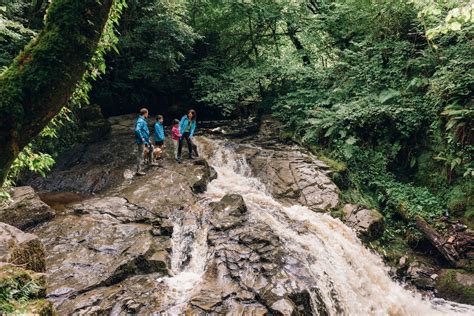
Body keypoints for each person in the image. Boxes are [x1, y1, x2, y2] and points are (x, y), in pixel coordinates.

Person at [134, 108, 151, 175]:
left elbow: (143, 131)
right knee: (140, 155)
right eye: (147, 113)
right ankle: (138, 171)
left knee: (151, 148)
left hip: (145, 139)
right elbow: (137, 130)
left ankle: (150, 162)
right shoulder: (140, 121)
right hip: (141, 141)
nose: (148, 114)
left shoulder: (142, 120)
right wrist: (142, 138)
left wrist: (147, 139)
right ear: (145, 113)